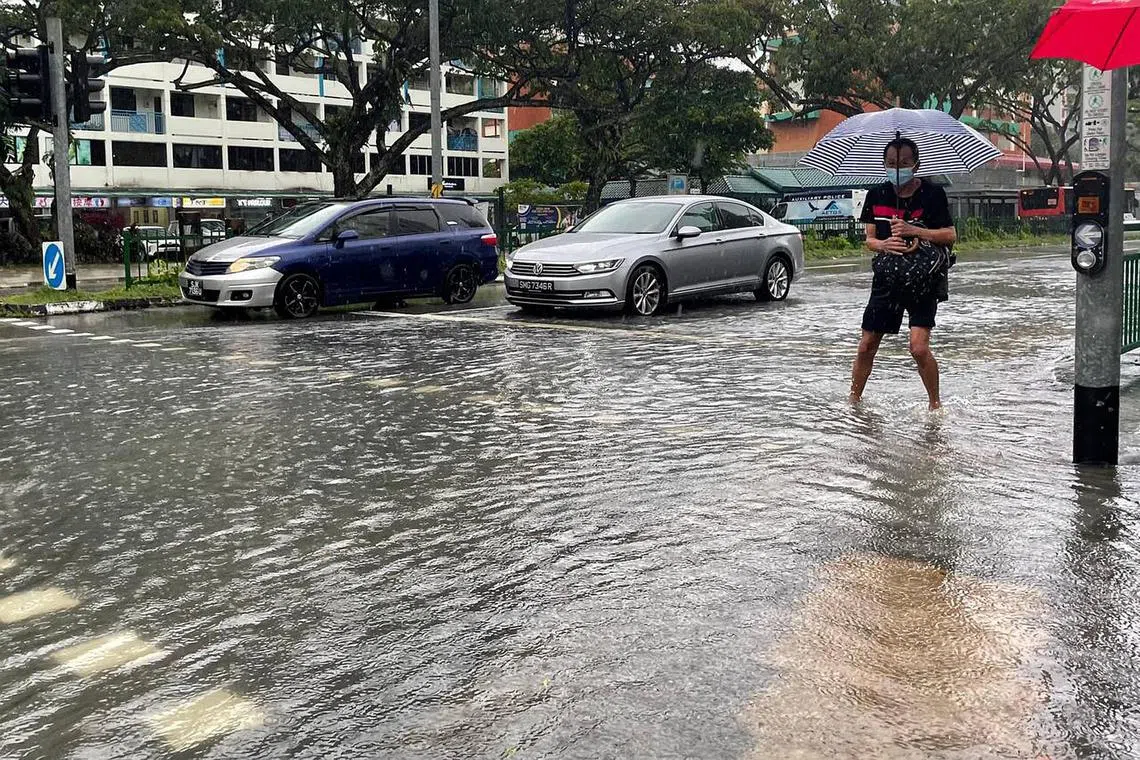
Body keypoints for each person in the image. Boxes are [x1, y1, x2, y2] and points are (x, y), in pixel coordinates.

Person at [849, 137, 957, 411]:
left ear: (916, 164)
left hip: (923, 280)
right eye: (892, 164)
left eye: (905, 163)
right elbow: (870, 239)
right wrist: (884, 244)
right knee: (866, 346)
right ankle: (854, 401)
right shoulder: (877, 195)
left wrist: (914, 230)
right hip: (887, 279)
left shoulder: (933, 194)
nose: (898, 169)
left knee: (918, 348)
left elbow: (950, 235)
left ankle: (935, 406)